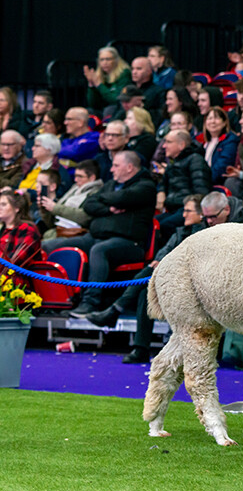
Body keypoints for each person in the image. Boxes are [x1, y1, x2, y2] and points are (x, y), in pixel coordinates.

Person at [86, 194, 206, 364]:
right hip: (170, 277)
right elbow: (165, 250)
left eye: (188, 211)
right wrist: (160, 261)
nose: (184, 214)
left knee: (147, 277)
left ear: (201, 214)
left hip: (190, 281)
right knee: (145, 290)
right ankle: (140, 348)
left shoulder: (203, 234)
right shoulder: (180, 231)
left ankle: (116, 310)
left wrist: (164, 263)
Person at [41, 151, 156, 316]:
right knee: (48, 245)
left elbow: (124, 197)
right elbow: (89, 204)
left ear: (129, 167)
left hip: (128, 243)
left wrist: (104, 200)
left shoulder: (146, 186)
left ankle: (90, 302)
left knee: (99, 250)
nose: (111, 170)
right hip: (94, 237)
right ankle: (52, 298)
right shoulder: (110, 185)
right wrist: (109, 208)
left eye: (116, 165)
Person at [157, 130, 212, 239]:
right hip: (173, 209)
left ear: (181, 145)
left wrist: (190, 208)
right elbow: (164, 182)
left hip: (188, 209)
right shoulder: (173, 162)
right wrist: (161, 192)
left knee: (165, 226)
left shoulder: (195, 160)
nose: (164, 146)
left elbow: (202, 191)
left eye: (168, 142)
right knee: (153, 224)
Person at [37, 160, 103, 240]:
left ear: (92, 177)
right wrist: (44, 208)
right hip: (58, 231)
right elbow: (52, 223)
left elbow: (85, 217)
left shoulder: (97, 193)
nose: (75, 180)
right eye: (75, 176)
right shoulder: (74, 188)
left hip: (77, 234)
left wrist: (55, 208)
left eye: (80, 176)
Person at [84, 46, 131, 117]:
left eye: (108, 59)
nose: (105, 62)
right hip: (103, 110)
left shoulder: (124, 74)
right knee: (87, 112)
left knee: (110, 109)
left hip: (117, 110)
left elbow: (116, 100)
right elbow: (93, 104)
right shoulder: (99, 75)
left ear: (116, 60)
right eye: (102, 60)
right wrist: (91, 85)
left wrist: (99, 85)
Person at [0, 191, 41, 267]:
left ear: (16, 208)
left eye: (3, 204)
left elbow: (16, 260)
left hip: (18, 276)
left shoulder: (27, 228)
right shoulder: (3, 229)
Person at [202, 106, 238, 185]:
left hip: (217, 183)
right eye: (210, 118)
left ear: (224, 122)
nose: (213, 121)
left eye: (217, 118)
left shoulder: (230, 140)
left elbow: (222, 168)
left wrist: (203, 181)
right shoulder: (204, 143)